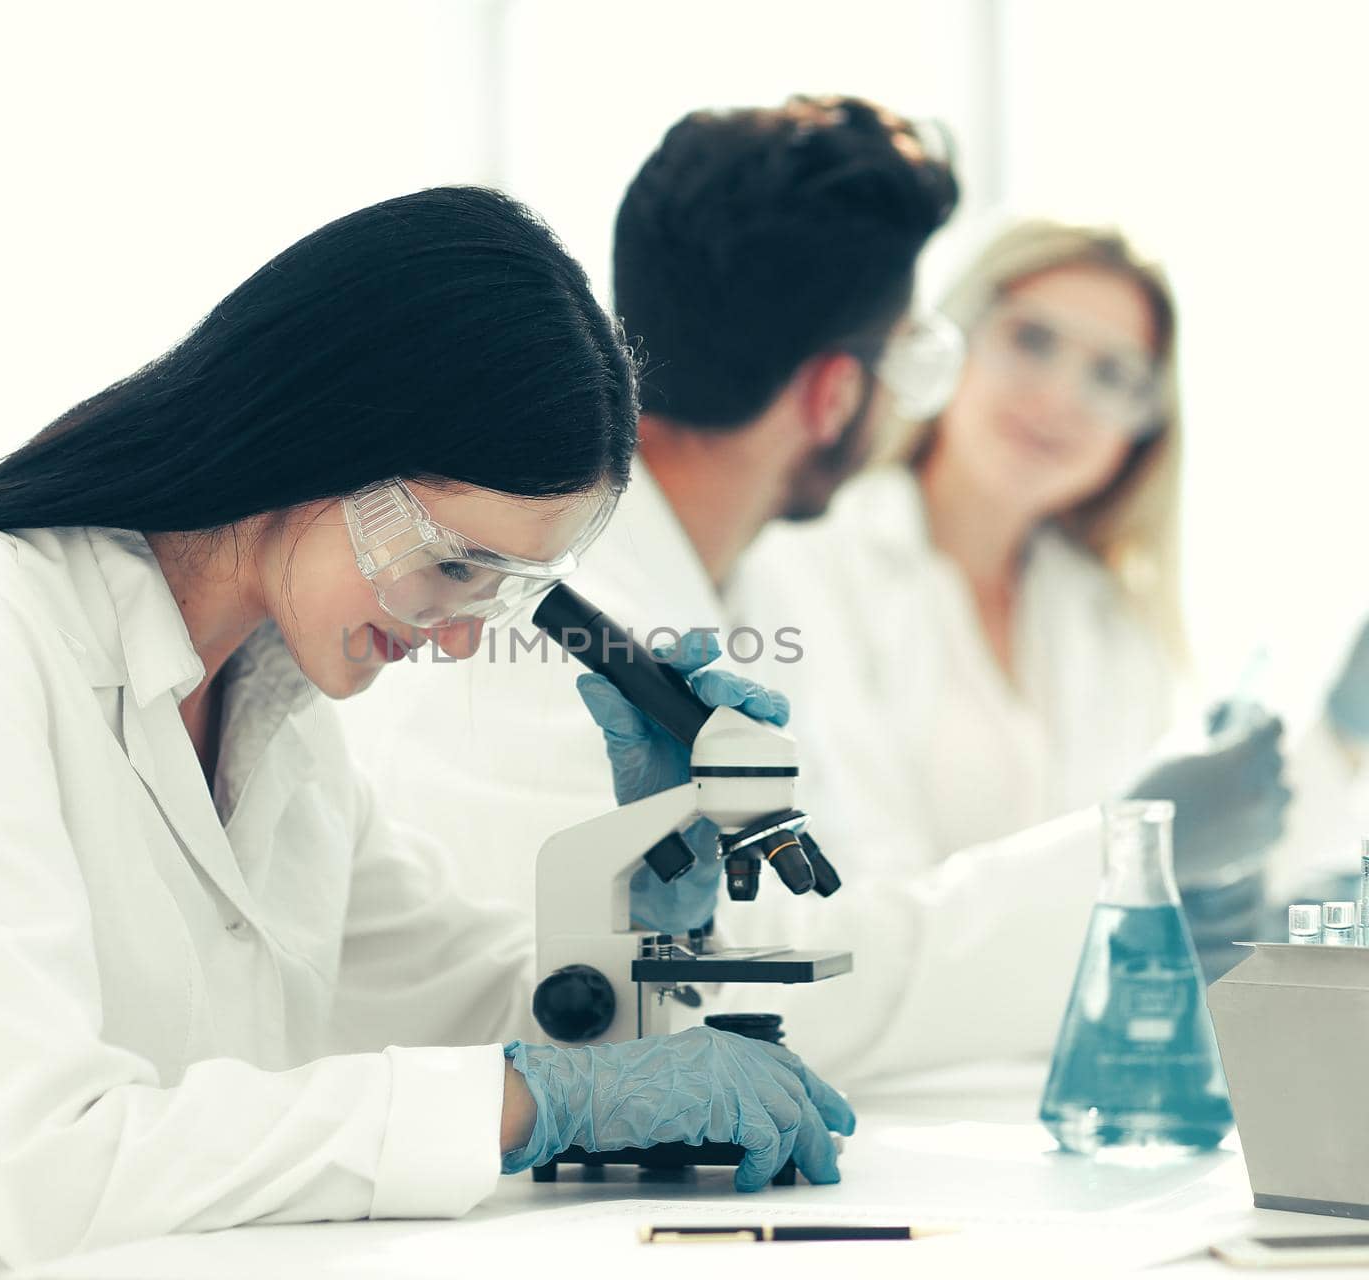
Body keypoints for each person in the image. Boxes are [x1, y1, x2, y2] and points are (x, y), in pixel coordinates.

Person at [0, 187, 853, 1280]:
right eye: (454, 566)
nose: (461, 639)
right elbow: (55, 1168)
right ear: (328, 439)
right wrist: (550, 1098)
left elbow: (492, 1028)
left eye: (498, 592)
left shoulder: (275, 716)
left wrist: (645, 871)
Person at [338, 100, 1290, 1084]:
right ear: (834, 393)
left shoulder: (745, 583)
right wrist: (1117, 864)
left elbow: (846, 894)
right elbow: (750, 982)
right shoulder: (542, 621)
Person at [759, 217, 1368, 969]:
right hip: (893, 1075)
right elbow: (858, 905)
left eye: (1113, 376)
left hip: (1073, 1064)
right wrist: (1125, 858)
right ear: (949, 344)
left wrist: (1342, 738)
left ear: (1142, 432)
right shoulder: (809, 566)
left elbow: (1214, 891)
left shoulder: (1110, 618)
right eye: (1033, 340)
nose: (1061, 396)